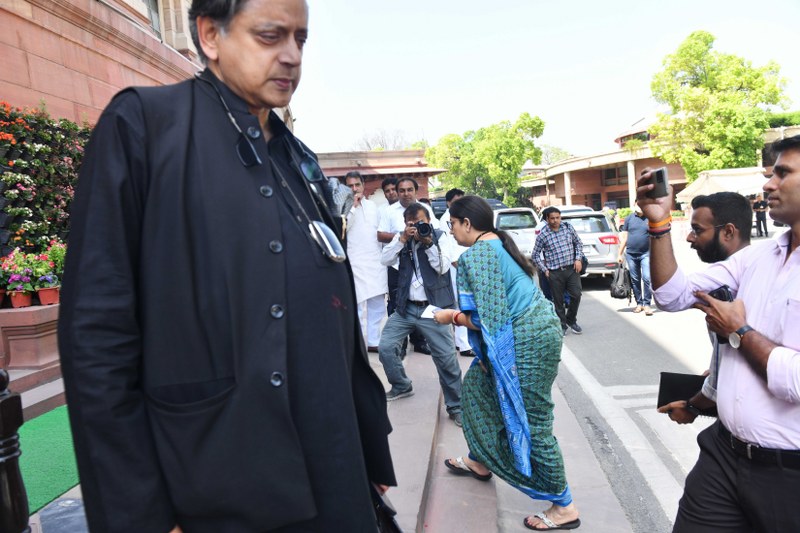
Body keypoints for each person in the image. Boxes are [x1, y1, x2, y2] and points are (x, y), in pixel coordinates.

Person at [57, 1, 396, 531]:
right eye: (270, 36)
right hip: (215, 486)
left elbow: (332, 311)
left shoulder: (296, 158)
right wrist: (142, 518)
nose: (291, 56)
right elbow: (96, 336)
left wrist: (366, 451)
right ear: (210, 35)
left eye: (301, 39)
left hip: (333, 470)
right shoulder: (144, 127)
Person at [640, 135, 800, 533]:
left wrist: (739, 332)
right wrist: (659, 223)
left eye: (783, 173)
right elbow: (672, 295)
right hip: (724, 457)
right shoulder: (758, 256)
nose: (768, 184)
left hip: (788, 475)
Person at [437, 196, 580, 531]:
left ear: (467, 224)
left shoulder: (478, 255)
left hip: (527, 340)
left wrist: (451, 317)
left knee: (533, 420)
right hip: (531, 331)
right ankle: (480, 460)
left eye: (452, 224)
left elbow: (488, 321)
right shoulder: (498, 243)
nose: (451, 231)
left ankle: (564, 506)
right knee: (476, 390)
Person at [657, 192, 751, 421]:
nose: (690, 238)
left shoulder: (737, 269)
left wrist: (658, 225)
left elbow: (670, 296)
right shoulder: (749, 264)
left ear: (728, 232)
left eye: (698, 230)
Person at [378, 203, 463, 427]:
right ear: (406, 224)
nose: (417, 227)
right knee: (386, 347)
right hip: (406, 307)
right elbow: (385, 260)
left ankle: (456, 406)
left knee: (446, 358)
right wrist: (402, 239)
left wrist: (428, 243)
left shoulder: (440, 237)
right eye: (412, 224)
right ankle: (401, 385)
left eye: (421, 223)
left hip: (434, 308)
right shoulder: (402, 238)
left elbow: (442, 267)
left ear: (429, 221)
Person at [378, 177, 439, 354]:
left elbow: (434, 230)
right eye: (402, 190)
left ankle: (419, 341)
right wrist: (403, 236)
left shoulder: (425, 208)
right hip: (397, 264)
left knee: (421, 302)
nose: (406, 194)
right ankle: (400, 343)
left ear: (415, 191)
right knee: (396, 303)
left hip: (422, 265)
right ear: (397, 192)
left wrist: (422, 234)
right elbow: (380, 235)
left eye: (409, 190)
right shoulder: (389, 211)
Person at [345, 170, 388, 353]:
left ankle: (373, 341)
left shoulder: (373, 207)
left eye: (357, 185)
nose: (354, 189)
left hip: (375, 260)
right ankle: (357, 343)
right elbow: (343, 228)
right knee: (357, 305)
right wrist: (353, 207)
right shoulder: (343, 207)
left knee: (377, 304)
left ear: (363, 185)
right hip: (354, 260)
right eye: (350, 186)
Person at [533, 207, 584, 335]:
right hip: (554, 272)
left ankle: (571, 320)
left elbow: (578, 243)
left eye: (558, 218)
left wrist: (578, 259)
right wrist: (545, 270)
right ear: (547, 219)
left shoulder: (568, 228)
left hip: (572, 269)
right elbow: (535, 255)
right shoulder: (543, 235)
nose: (555, 221)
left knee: (576, 294)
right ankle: (562, 324)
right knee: (558, 300)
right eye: (552, 218)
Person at [440, 188, 474, 357]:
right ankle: (464, 344)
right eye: (455, 201)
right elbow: (449, 249)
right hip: (457, 268)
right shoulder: (446, 220)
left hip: (468, 266)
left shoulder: (464, 216)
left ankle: (463, 342)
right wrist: (461, 268)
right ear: (448, 203)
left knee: (467, 304)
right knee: (461, 304)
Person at [617, 199, 654, 315]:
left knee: (647, 278)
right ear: (634, 205)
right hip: (631, 254)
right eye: (638, 204)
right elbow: (625, 238)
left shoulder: (650, 218)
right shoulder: (629, 219)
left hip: (646, 253)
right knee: (635, 279)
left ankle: (647, 304)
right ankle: (639, 303)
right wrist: (619, 254)